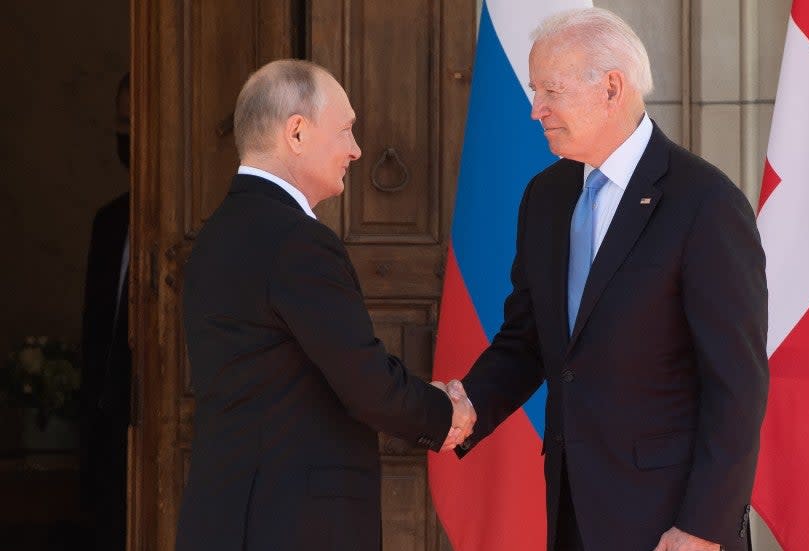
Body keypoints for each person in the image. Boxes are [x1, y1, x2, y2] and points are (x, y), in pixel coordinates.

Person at [446, 8, 768, 551]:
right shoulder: (544, 198)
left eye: (551, 90)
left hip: (671, 522)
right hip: (572, 510)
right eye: (534, 90)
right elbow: (530, 339)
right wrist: (465, 404)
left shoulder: (705, 204)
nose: (535, 110)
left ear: (612, 88)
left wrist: (704, 526)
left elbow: (736, 386)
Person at [176, 59, 474, 551]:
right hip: (292, 523)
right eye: (346, 130)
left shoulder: (216, 232)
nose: (356, 151)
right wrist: (445, 415)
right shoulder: (296, 240)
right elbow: (364, 382)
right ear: (296, 133)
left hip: (227, 513)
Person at [80, 71, 131, 551]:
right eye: (121, 125)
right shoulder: (110, 222)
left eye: (136, 124)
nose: (128, 138)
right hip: (109, 429)